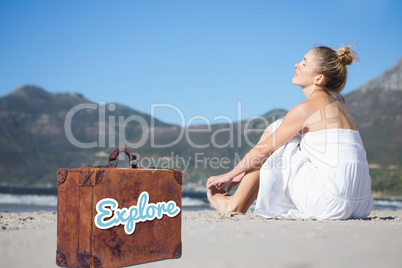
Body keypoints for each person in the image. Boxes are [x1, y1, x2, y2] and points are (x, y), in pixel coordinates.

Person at [206, 45, 373, 220]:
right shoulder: (341, 108)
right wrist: (244, 170)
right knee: (284, 136)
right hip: (361, 204)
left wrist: (230, 175)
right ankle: (239, 202)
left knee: (277, 130)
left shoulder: (305, 109)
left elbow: (263, 151)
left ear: (319, 78)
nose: (296, 65)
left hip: (328, 202)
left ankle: (234, 204)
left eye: (304, 63)